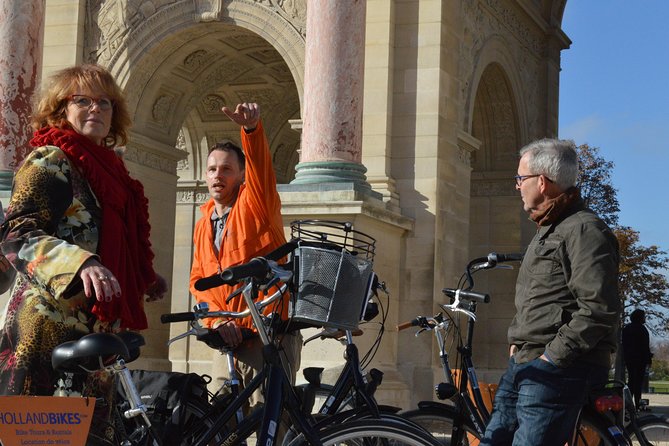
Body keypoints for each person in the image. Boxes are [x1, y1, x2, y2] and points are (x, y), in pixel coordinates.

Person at [0, 64, 167, 441]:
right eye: (83, 101)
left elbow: (111, 240)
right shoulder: (51, 159)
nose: (96, 109)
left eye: (104, 102)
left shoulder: (114, 174)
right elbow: (17, 234)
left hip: (98, 338)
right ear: (62, 109)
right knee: (40, 439)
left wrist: (144, 276)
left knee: (93, 437)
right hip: (48, 333)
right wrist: (82, 262)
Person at [481, 138, 621, 446]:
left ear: (542, 182)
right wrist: (519, 345)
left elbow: (599, 309)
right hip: (527, 362)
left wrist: (551, 358)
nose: (517, 186)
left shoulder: (584, 230)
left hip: (559, 369)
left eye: (521, 179)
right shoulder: (548, 229)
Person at [189, 102, 302, 411]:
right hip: (224, 339)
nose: (217, 175)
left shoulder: (257, 205)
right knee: (220, 424)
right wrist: (217, 321)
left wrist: (251, 130)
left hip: (265, 336)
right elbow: (199, 282)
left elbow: (261, 167)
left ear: (241, 175)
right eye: (212, 169)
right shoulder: (203, 223)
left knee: (268, 423)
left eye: (226, 169)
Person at [622, 309, 653, 410]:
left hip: (630, 359)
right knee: (638, 382)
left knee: (631, 380)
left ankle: (628, 404)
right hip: (640, 359)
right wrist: (648, 359)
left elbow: (624, 345)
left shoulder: (627, 328)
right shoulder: (642, 329)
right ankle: (638, 403)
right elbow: (645, 346)